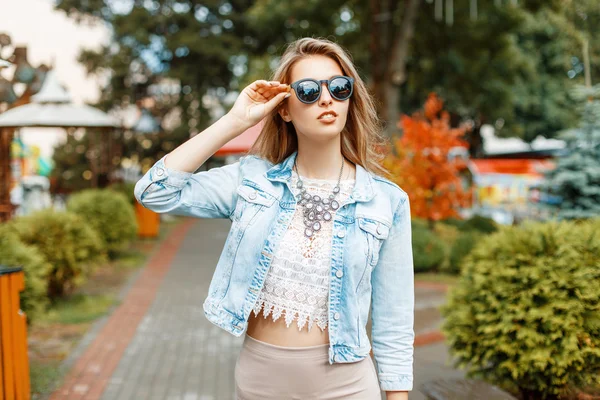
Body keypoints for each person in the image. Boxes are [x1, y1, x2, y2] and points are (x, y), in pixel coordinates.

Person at [134, 37, 414, 400]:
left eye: (339, 87)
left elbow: (394, 321)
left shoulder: (386, 201)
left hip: (348, 386)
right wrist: (234, 122)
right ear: (284, 108)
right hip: (262, 383)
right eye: (309, 91)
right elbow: (154, 192)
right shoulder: (251, 181)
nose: (326, 99)